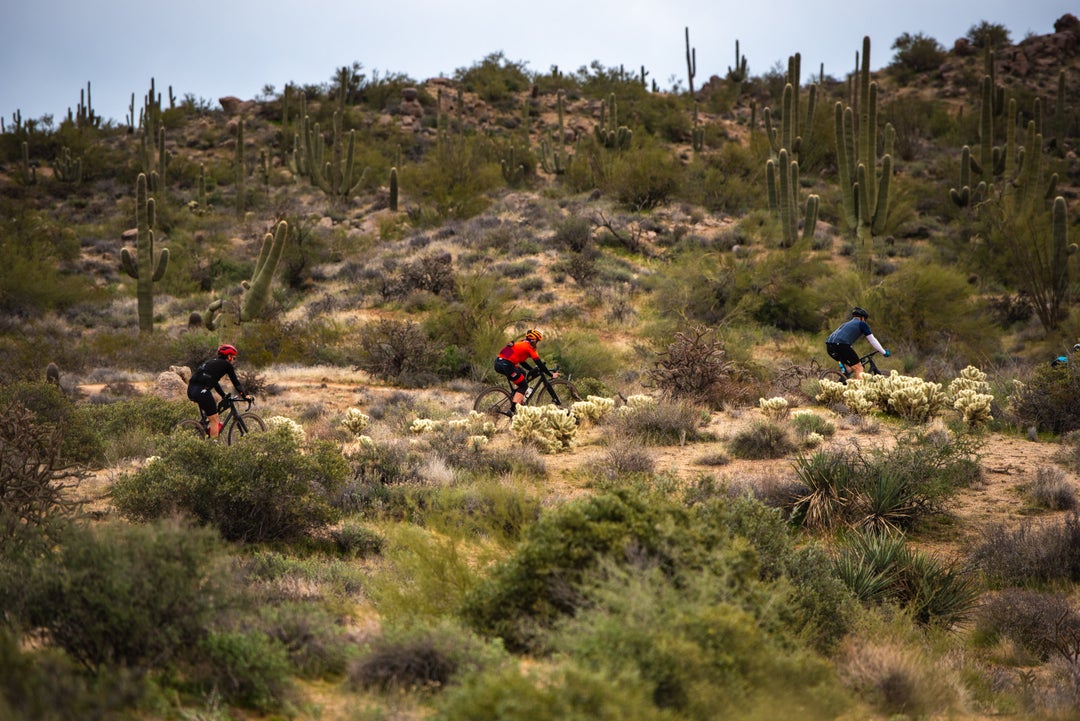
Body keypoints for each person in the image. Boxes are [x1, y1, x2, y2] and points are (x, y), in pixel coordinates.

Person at [187, 344, 251, 440]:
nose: (233, 360)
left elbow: (214, 382)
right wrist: (244, 396)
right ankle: (213, 445)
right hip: (202, 392)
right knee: (215, 420)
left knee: (212, 405)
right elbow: (236, 383)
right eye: (233, 358)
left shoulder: (211, 362)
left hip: (191, 390)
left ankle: (202, 427)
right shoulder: (227, 365)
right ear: (229, 356)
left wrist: (223, 395)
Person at [493, 329, 557, 416]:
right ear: (533, 340)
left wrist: (531, 370)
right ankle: (512, 410)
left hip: (498, 362)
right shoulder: (529, 347)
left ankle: (517, 396)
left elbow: (522, 362)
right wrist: (551, 374)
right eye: (537, 341)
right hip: (507, 365)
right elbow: (539, 363)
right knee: (523, 386)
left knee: (522, 373)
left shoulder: (521, 343)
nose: (537, 344)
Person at [825, 307, 890, 380]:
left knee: (849, 368)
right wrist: (883, 352)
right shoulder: (862, 324)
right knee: (859, 368)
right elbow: (872, 340)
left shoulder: (845, 324)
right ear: (863, 318)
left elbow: (840, 338)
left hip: (829, 346)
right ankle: (859, 387)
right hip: (841, 345)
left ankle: (843, 381)